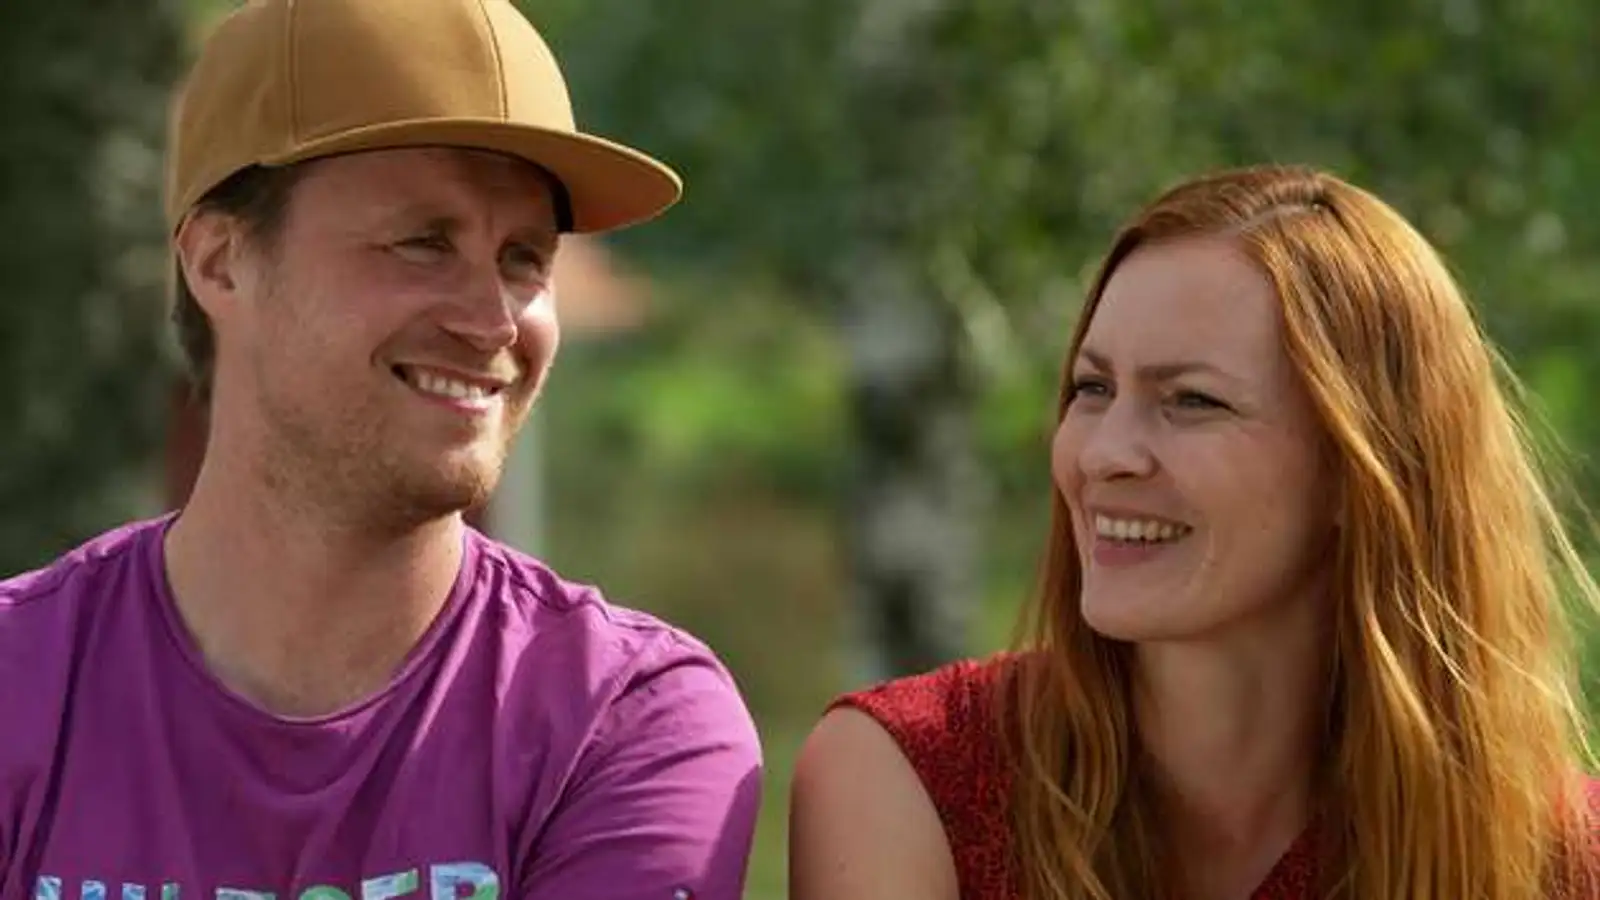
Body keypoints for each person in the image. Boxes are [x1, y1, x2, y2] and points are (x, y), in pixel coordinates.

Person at [0, 1, 762, 898]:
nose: (492, 322)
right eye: (423, 243)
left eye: (524, 257)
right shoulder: (23, 682)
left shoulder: (622, 721)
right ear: (219, 261)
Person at [789, 164, 1600, 900]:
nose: (1104, 454)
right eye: (1092, 388)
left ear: (1364, 467)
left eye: (1192, 401)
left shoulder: (1553, 855)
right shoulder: (909, 778)